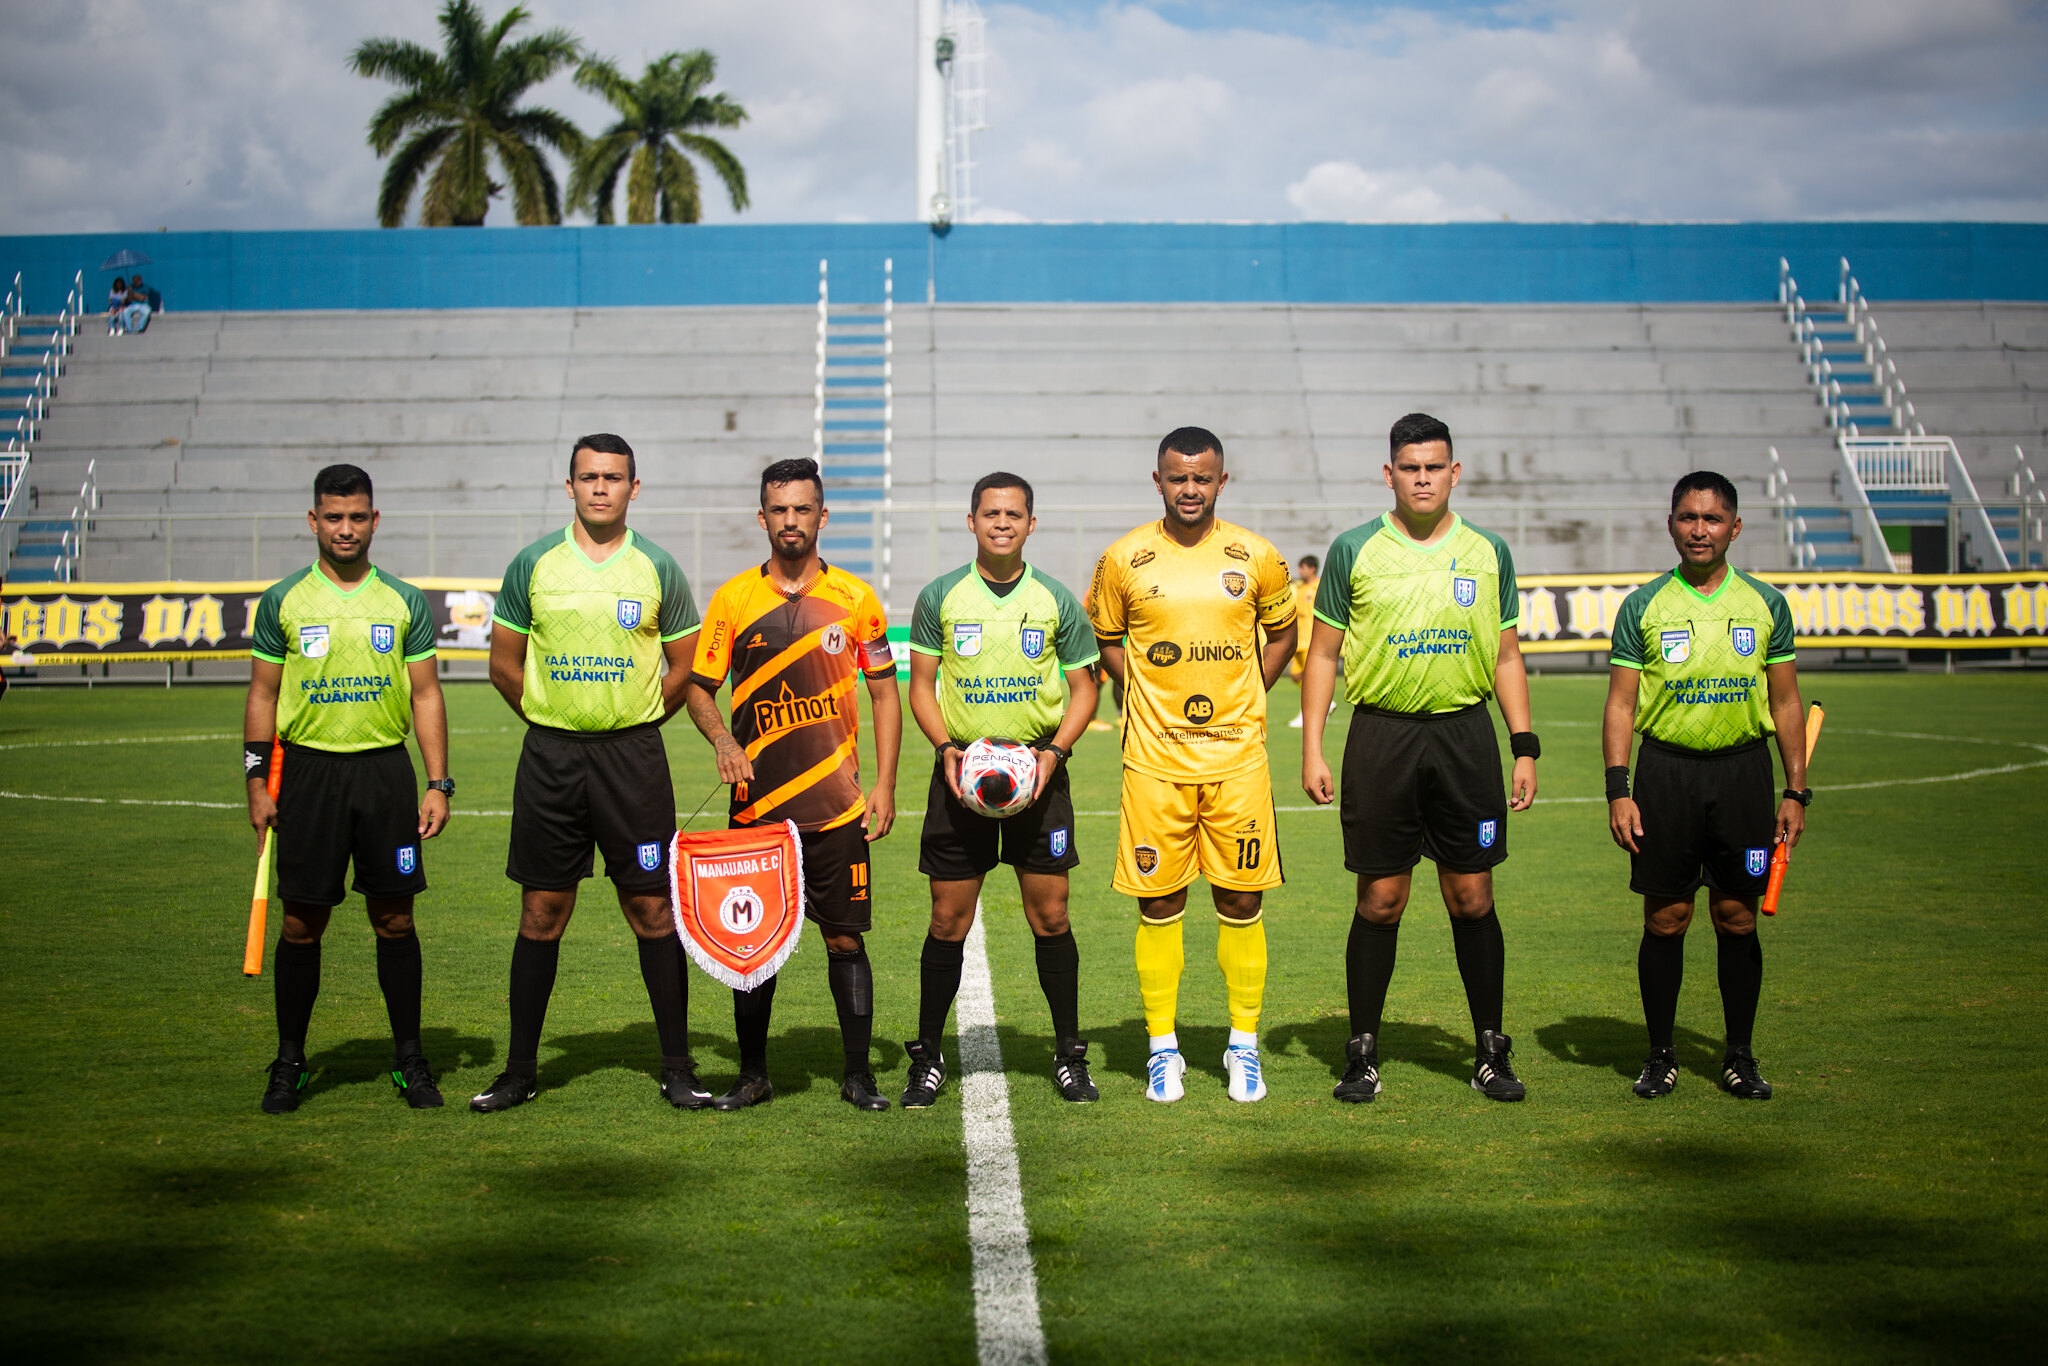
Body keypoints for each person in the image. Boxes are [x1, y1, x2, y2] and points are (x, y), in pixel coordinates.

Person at [1301, 412, 1539, 1105]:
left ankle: (1490, 1051)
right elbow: (1322, 655)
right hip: (1382, 737)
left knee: (1472, 895)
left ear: (1454, 472)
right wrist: (1313, 745)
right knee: (1381, 898)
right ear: (1390, 474)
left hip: (1466, 738)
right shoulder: (1353, 549)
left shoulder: (1489, 551)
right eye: (1410, 468)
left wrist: (1523, 746)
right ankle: (1362, 1052)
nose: (1423, 478)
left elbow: (1506, 655)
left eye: (1435, 467)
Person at [469, 433, 706, 1113]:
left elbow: (684, 667)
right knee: (542, 909)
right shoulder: (532, 564)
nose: (600, 487)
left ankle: (677, 1066)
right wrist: (552, 718)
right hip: (551, 759)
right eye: (588, 476)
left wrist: (633, 718)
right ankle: (519, 1070)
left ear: (635, 488)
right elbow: (503, 667)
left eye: (613, 477)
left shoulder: (658, 567)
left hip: (633, 760)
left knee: (652, 907)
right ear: (569, 486)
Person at [683, 457, 902, 1112]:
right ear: (762, 518)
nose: (790, 521)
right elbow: (699, 690)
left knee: (844, 939)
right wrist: (723, 740)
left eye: (802, 509)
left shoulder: (858, 600)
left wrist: (884, 784)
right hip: (759, 812)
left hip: (838, 808)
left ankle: (858, 1074)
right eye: (779, 510)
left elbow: (886, 696)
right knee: (753, 946)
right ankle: (753, 1074)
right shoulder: (732, 601)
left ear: (822, 517)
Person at [1088, 426, 1296, 1104]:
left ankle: (1243, 1046)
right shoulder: (1124, 558)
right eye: (1177, 478)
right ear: (1158, 482)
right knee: (1160, 900)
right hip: (1154, 760)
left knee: (1241, 898)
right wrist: (1140, 691)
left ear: (1221, 482)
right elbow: (1108, 640)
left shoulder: (1256, 555)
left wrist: (1252, 692)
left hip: (1237, 758)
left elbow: (1285, 631)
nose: (1190, 488)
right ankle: (1162, 1049)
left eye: (1202, 477)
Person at [243, 463, 451, 1113]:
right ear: (313, 521)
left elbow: (425, 694)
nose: (345, 529)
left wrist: (438, 782)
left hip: (385, 775)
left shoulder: (403, 601)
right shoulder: (283, 601)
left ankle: (409, 1058)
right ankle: (290, 1060)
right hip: (308, 776)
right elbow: (262, 693)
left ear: (374, 521)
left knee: (395, 919)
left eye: (357, 517)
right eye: (333, 517)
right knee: (302, 922)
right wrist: (256, 779)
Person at [1603, 470, 1808, 1101]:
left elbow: (1787, 701)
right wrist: (1620, 787)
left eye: (1712, 519)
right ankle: (1660, 1053)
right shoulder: (1643, 605)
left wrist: (1795, 790)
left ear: (1735, 527)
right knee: (1666, 917)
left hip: (1743, 775)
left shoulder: (1765, 604)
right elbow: (1619, 706)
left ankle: (1739, 1055)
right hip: (1666, 774)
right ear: (1670, 525)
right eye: (1688, 518)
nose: (1700, 529)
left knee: (1736, 917)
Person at [902, 471, 1102, 1108]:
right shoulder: (940, 597)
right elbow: (921, 686)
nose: (1002, 524)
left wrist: (1053, 755)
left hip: (1039, 779)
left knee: (1051, 915)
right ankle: (928, 1057)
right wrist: (946, 753)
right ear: (971, 522)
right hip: (962, 780)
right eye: (990, 514)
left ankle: (1069, 1054)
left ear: (1031, 524)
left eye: (1014, 515)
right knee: (947, 919)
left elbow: (1086, 689)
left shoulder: (1057, 601)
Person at [1286, 553, 1322, 728]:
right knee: (1295, 676)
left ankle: (1307, 715)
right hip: (1299, 640)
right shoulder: (1300, 588)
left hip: (1311, 640)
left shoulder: (1319, 587)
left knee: (1309, 680)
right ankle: (1326, 705)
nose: (1300, 571)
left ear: (1312, 568)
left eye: (1303, 568)